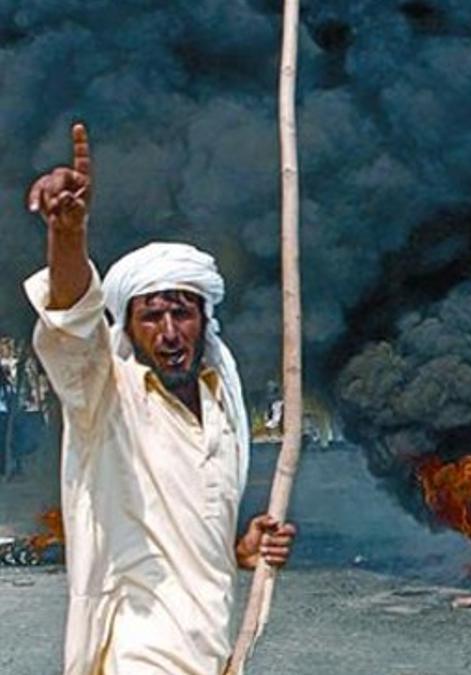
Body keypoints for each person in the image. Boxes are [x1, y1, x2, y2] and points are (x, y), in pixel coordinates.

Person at [24, 123, 297, 675]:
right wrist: (68, 236)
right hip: (137, 656)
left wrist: (238, 549)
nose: (169, 332)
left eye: (182, 312)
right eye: (151, 316)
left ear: (204, 320)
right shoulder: (105, 396)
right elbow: (73, 324)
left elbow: (191, 531)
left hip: (214, 651)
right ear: (128, 326)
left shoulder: (223, 404)